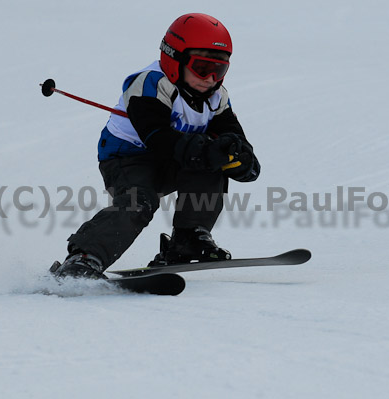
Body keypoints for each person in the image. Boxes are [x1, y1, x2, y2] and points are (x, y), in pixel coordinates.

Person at [51, 13, 260, 279]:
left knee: (214, 157)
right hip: (127, 159)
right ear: (175, 59)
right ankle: (84, 257)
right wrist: (206, 150)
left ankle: (188, 237)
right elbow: (157, 137)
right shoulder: (149, 83)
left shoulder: (216, 97)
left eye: (219, 70)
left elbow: (235, 138)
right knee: (140, 201)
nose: (210, 78)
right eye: (202, 68)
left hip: (173, 160)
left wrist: (242, 160)